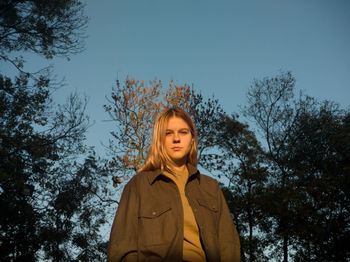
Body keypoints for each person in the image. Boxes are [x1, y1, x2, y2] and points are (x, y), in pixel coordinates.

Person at [108, 107, 240, 262]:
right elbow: (121, 248)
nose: (176, 139)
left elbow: (228, 245)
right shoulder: (139, 185)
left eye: (183, 132)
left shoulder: (210, 187)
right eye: (168, 133)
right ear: (159, 140)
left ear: (192, 139)